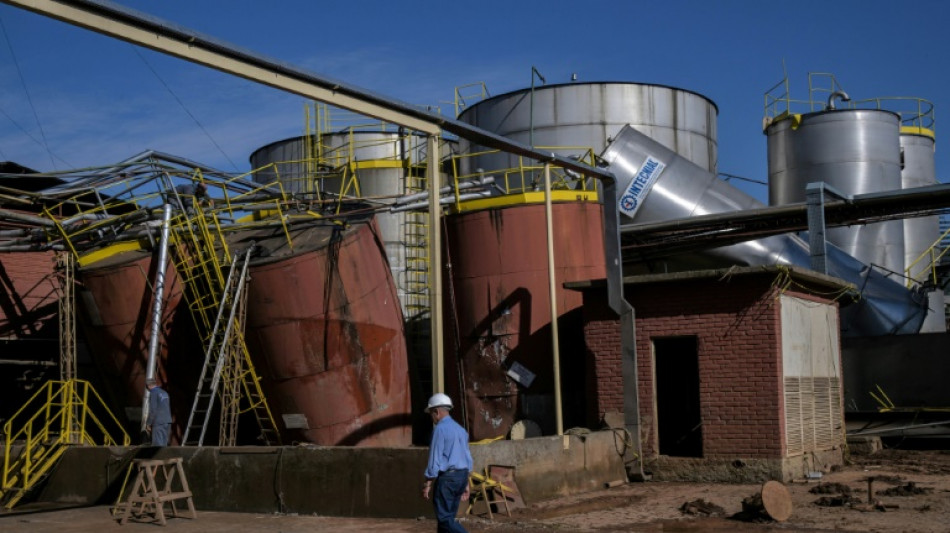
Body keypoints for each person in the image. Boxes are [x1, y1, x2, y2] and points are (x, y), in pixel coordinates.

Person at [422, 393, 472, 533]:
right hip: (461, 477)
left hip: (448, 479)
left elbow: (434, 459)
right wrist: (466, 482)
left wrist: (428, 483)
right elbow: (467, 457)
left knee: (444, 519)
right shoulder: (461, 430)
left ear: (436, 412)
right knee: (447, 519)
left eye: (431, 413)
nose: (431, 417)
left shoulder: (440, 429)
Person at [146, 379, 172, 447]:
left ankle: (158, 457)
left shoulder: (154, 393)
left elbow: (153, 410)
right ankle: (164, 457)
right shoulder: (164, 392)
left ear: (148, 386)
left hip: (158, 422)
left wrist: (148, 423)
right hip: (167, 421)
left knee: (157, 446)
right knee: (164, 445)